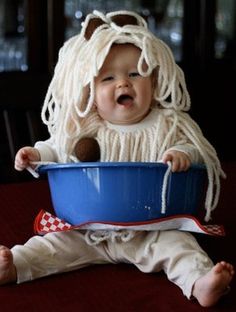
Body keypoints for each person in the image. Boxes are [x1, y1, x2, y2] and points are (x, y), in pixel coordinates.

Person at [0, 10, 234, 307]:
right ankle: (15, 265)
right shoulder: (85, 127)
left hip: (151, 228)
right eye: (108, 78)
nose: (123, 83)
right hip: (88, 229)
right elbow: (57, 148)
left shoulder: (167, 124)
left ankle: (200, 282)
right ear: (91, 92)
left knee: (180, 247)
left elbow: (196, 148)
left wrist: (181, 154)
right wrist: (35, 154)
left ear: (155, 80)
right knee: (51, 245)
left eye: (135, 74)